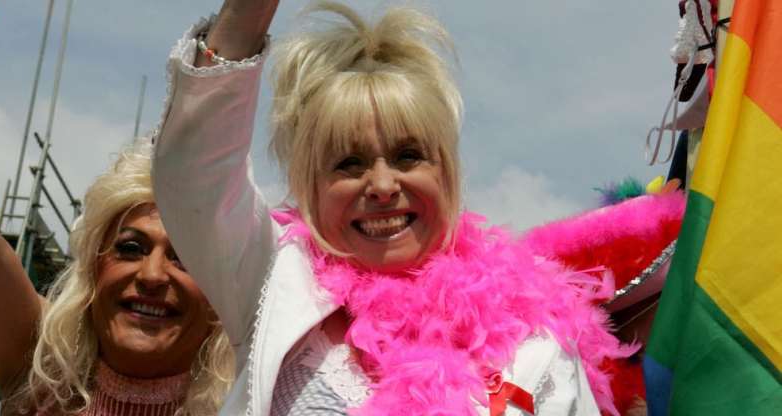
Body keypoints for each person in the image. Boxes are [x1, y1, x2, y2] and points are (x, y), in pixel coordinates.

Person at [151, 1, 683, 414]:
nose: (382, 185)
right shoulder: (273, 281)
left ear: (446, 173)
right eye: (348, 163)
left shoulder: (536, 344)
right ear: (309, 187)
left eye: (408, 156)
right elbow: (195, 173)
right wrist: (248, 13)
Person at [0, 140, 234, 415]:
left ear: (218, 299)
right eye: (130, 249)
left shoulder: (252, 406)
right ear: (93, 271)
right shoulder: (39, 369)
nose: (152, 275)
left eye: (186, 259)